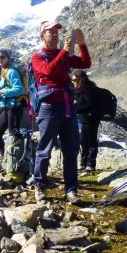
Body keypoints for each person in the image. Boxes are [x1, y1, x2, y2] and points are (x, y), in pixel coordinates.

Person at [30, 21, 91, 204]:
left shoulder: (61, 54)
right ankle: (39, 184)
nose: (55, 35)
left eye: (57, 32)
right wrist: (65, 51)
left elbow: (85, 63)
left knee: (71, 149)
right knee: (45, 149)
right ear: (42, 36)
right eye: (51, 33)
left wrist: (81, 44)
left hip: (66, 107)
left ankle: (71, 189)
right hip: (49, 108)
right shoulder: (37, 57)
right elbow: (49, 71)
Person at [0, 48, 25, 153]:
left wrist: (0, 91)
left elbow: (19, 90)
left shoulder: (12, 72)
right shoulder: (2, 71)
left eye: (2, 57)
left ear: (8, 58)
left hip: (14, 108)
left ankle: (17, 165)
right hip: (7, 108)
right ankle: (7, 161)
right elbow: (6, 90)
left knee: (14, 138)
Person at [71, 70, 101, 173]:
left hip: (92, 118)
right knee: (84, 141)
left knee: (91, 141)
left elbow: (89, 105)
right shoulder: (79, 90)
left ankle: (90, 164)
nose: (73, 82)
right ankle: (84, 164)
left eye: (75, 80)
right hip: (84, 119)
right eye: (72, 80)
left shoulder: (89, 90)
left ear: (81, 79)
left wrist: (75, 109)